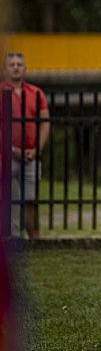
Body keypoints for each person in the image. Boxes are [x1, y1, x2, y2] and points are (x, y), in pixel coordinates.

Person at [0, 52, 50, 239]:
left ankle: (34, 239)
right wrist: (12, 150)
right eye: (11, 64)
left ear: (25, 68)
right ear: (4, 69)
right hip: (4, 156)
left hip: (30, 156)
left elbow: (45, 122)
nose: (15, 67)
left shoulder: (36, 93)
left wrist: (37, 150)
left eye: (19, 64)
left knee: (30, 199)